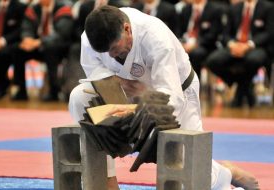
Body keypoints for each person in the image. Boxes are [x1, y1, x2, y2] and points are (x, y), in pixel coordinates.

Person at [68, 5, 259, 190]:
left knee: (188, 170)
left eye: (115, 48)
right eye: (106, 52)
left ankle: (225, 174)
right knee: (80, 97)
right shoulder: (89, 38)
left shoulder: (154, 36)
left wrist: (135, 113)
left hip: (177, 93)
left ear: (127, 29)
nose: (112, 54)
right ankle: (106, 180)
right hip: (126, 92)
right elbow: (97, 77)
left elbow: (171, 97)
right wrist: (117, 97)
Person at [205, 0, 274, 107]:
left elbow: (269, 33)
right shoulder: (234, 8)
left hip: (257, 47)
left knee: (253, 60)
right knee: (212, 61)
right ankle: (242, 85)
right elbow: (225, 34)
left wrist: (249, 45)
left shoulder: (268, 7)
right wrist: (232, 44)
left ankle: (240, 92)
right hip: (235, 46)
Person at [12, 0, 73, 101]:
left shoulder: (63, 8)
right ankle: (21, 90)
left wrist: (40, 42)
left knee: (50, 49)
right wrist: (27, 38)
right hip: (37, 46)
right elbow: (26, 26)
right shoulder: (34, 9)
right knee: (18, 50)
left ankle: (54, 91)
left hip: (59, 47)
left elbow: (62, 33)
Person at [177, 0, 223, 80]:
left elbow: (213, 34)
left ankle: (194, 85)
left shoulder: (215, 9)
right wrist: (181, 43)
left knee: (196, 54)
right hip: (185, 43)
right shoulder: (186, 9)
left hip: (205, 45)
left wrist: (195, 44)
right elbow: (179, 30)